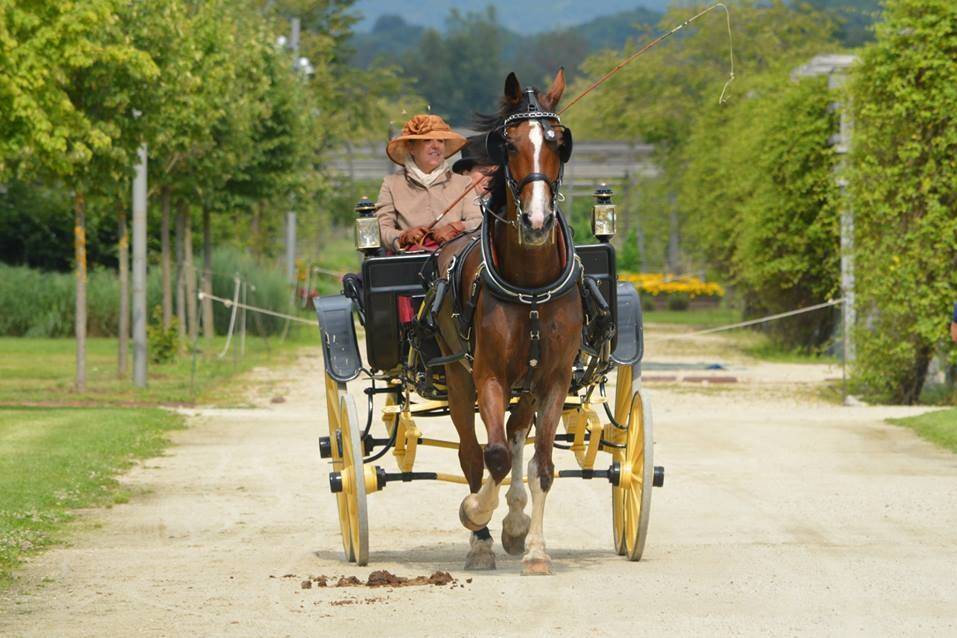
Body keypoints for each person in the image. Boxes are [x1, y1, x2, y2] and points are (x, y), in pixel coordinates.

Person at [376, 114, 482, 251]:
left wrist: (456, 227)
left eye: (440, 141)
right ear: (411, 148)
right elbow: (381, 229)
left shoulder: (463, 182)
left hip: (454, 260)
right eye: (427, 140)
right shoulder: (391, 184)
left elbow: (477, 221)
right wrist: (403, 236)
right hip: (408, 261)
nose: (436, 146)